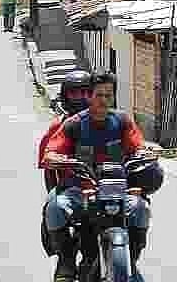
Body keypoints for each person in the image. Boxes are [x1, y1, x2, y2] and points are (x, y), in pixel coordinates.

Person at [41, 72, 160, 282]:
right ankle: (66, 260)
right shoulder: (74, 124)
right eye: (99, 95)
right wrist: (55, 158)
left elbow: (138, 144)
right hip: (81, 189)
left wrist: (145, 152)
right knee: (55, 208)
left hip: (116, 188)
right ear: (89, 97)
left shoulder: (122, 121)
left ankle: (131, 257)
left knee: (141, 208)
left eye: (108, 95)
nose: (104, 100)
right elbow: (52, 150)